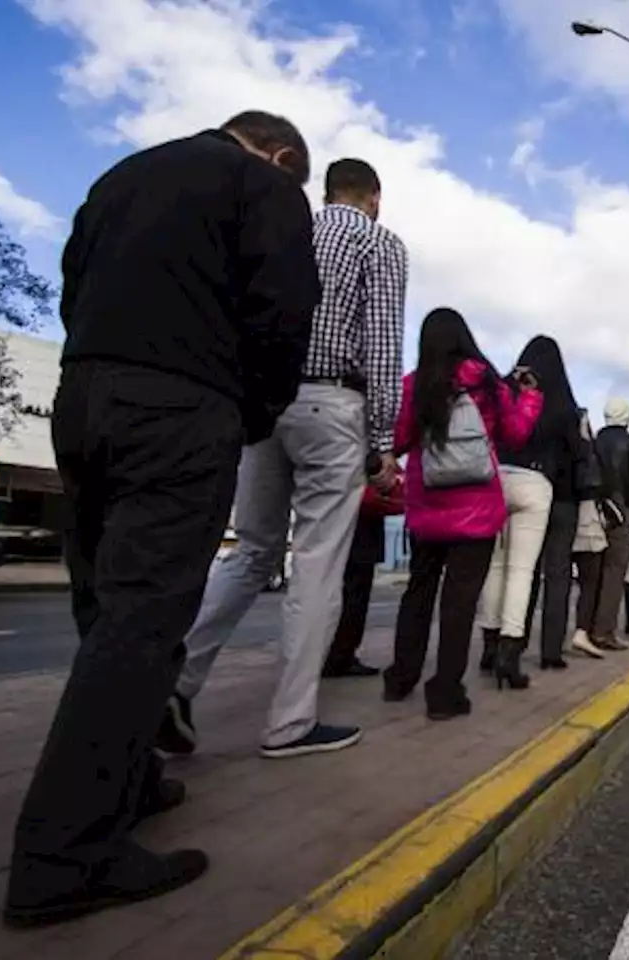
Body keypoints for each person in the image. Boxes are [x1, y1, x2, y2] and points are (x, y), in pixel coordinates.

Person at [4, 111, 321, 929]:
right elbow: (284, 307)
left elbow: (71, 288)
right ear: (283, 156)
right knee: (144, 619)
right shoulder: (265, 186)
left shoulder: (122, 177)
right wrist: (255, 408)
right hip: (181, 406)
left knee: (104, 609)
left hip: (84, 398)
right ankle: (64, 858)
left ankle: (129, 779)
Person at [156, 157, 408, 761]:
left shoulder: (286, 229)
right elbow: (380, 339)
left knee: (252, 552)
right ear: (373, 196)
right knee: (317, 563)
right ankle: (290, 723)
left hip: (263, 405)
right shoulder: (378, 241)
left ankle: (172, 684)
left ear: (326, 192)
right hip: (331, 403)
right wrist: (381, 442)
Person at [383, 308, 542, 718]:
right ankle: (445, 693)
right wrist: (530, 398)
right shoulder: (487, 384)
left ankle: (400, 679)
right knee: (459, 602)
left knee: (418, 592)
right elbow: (514, 435)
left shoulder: (415, 386)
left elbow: (398, 441)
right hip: (476, 511)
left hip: (426, 508)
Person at [477, 336, 586, 681]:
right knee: (539, 573)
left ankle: (491, 648)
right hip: (542, 487)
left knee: (497, 567)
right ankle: (538, 653)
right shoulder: (565, 406)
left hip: (499, 480)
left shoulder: (507, 392)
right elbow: (579, 454)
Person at [323, 461, 405, 677]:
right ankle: (341, 654)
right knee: (355, 594)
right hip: (360, 523)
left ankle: (331, 652)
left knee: (338, 591)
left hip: (335, 517)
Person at [590, 397, 629, 651]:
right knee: (615, 570)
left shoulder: (594, 441)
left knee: (593, 570)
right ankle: (604, 631)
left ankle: (585, 627)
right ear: (627, 416)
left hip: (593, 508)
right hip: (620, 510)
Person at [564, 410, 610, 660]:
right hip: (588, 516)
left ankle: (555, 638)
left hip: (561, 514)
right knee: (591, 580)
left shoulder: (560, 448)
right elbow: (594, 483)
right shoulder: (586, 452)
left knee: (558, 580)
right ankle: (582, 632)